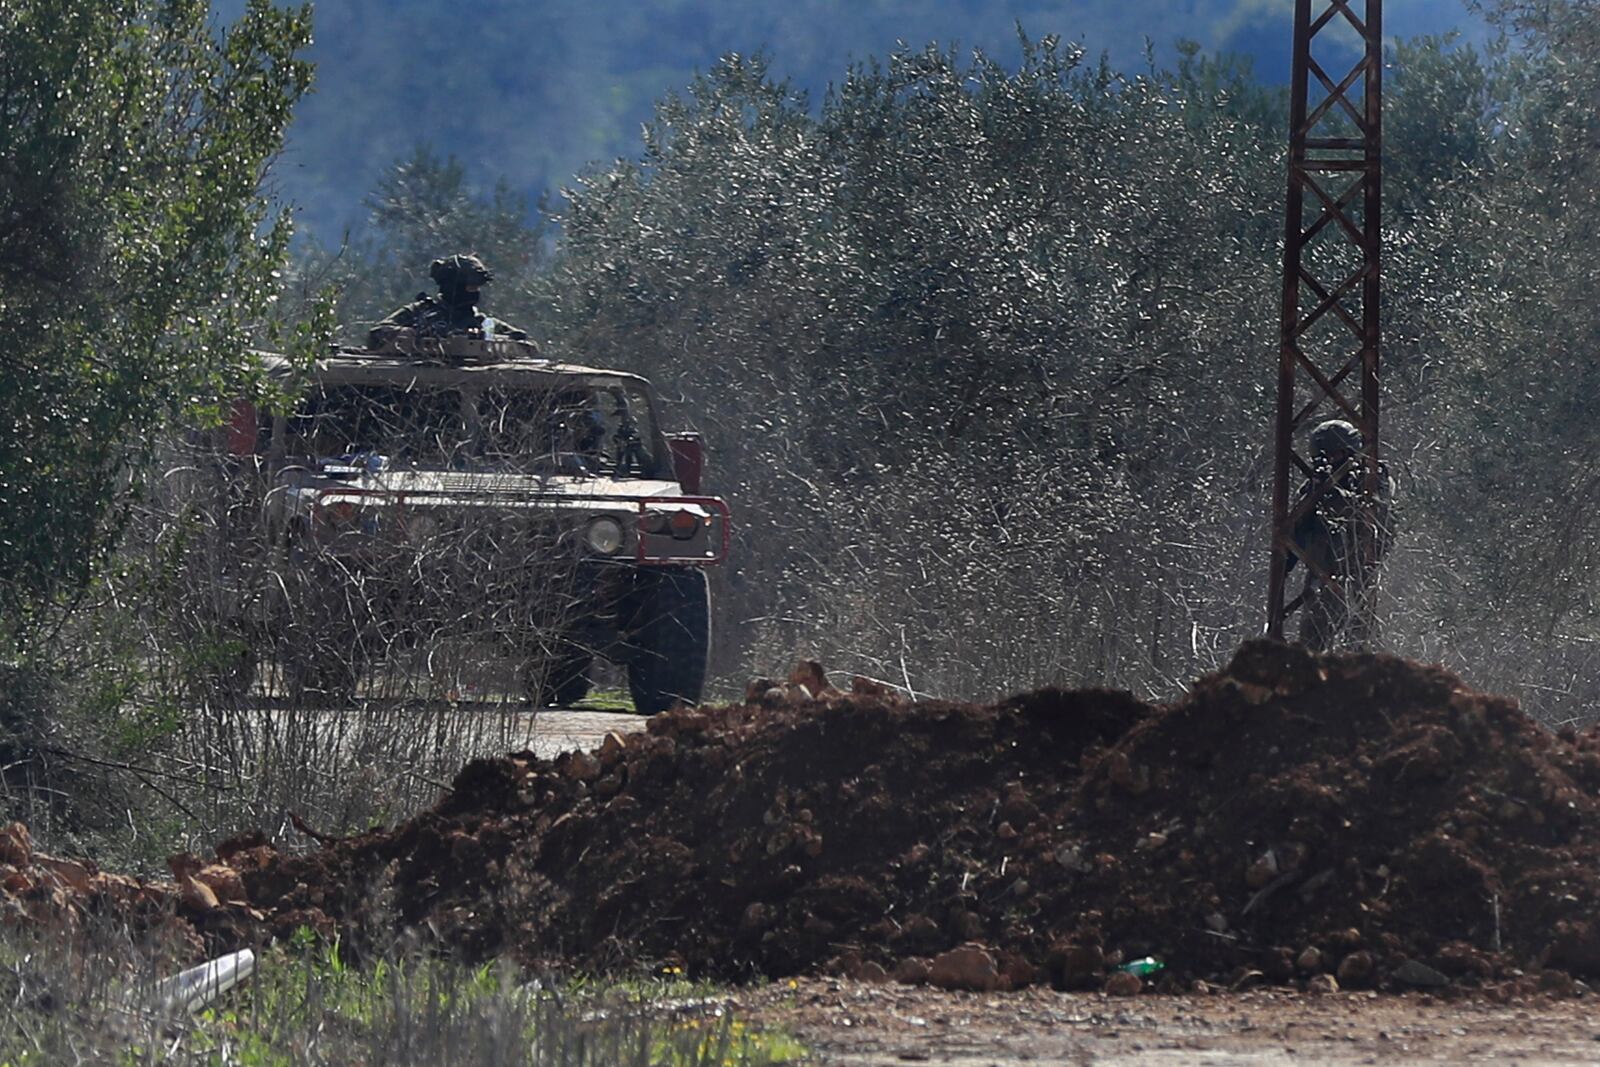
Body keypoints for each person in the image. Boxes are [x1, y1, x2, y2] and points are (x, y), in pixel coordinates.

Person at [1289, 418, 1391, 650]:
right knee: (1311, 642)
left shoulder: (1373, 479)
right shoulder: (1315, 484)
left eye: (1334, 456)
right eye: (1320, 459)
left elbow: (1371, 516)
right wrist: (1315, 493)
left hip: (1358, 571)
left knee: (1359, 644)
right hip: (1323, 571)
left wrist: (1332, 491)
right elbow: (1294, 528)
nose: (1328, 463)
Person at [367, 253, 527, 348]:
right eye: (470, 287)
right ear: (452, 286)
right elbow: (376, 335)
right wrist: (418, 334)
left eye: (476, 288)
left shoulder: (483, 322)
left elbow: (527, 345)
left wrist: (487, 338)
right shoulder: (417, 313)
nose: (475, 293)